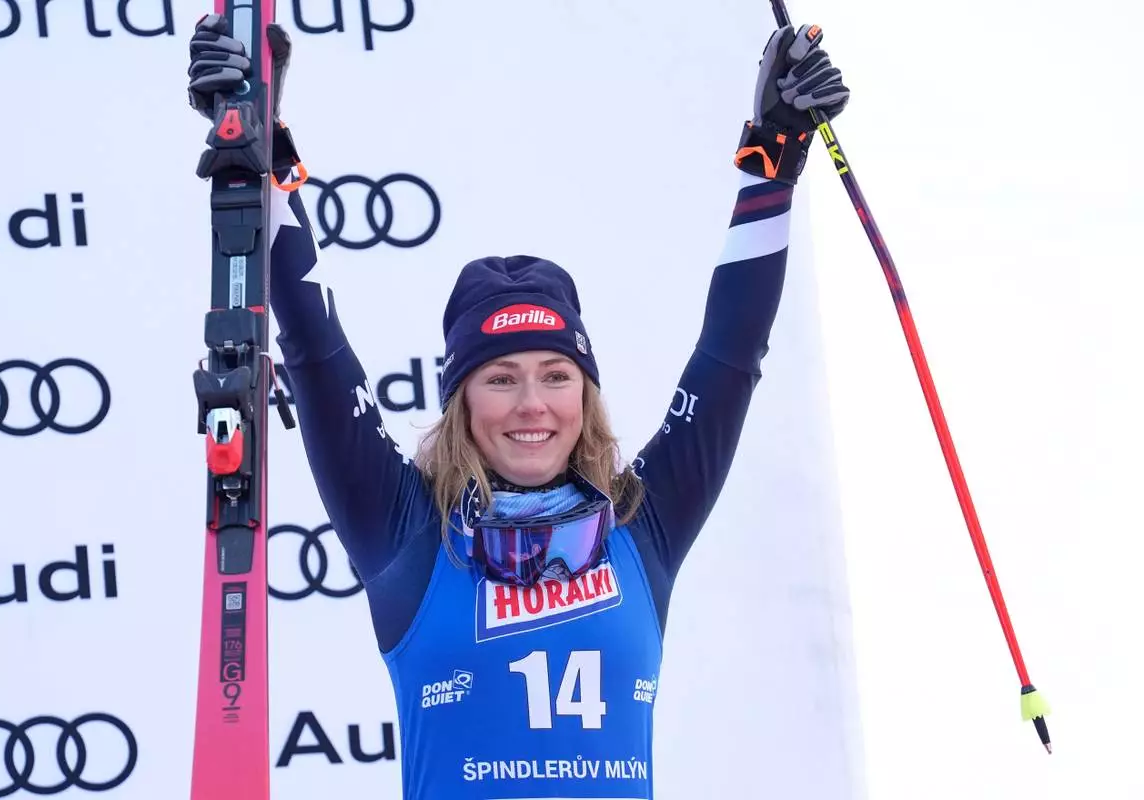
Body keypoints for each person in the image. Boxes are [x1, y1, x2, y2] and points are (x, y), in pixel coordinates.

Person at [187, 15, 849, 800]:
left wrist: (775, 160)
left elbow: (731, 356)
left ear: (586, 394)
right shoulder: (405, 531)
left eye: (556, 376)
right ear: (461, 400)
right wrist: (264, 152)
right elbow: (318, 353)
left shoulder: (645, 523)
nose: (532, 404)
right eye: (499, 377)